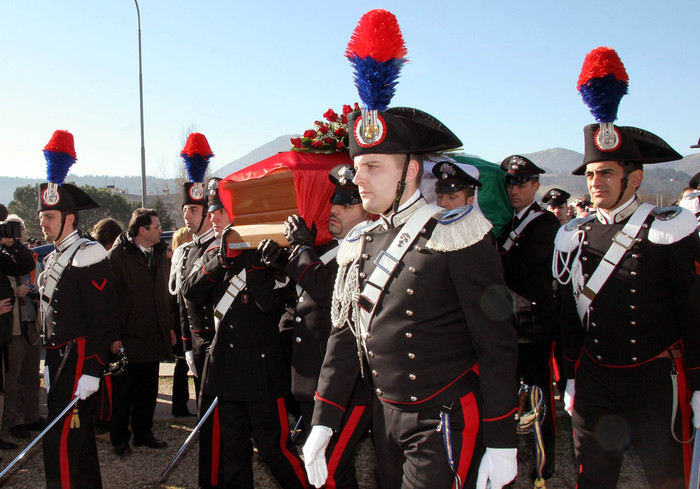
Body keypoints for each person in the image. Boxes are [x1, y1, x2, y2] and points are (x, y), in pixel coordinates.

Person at [303, 104, 519, 489]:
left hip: (443, 417)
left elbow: (497, 341)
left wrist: (502, 440)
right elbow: (346, 336)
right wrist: (324, 420)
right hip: (385, 416)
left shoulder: (458, 232)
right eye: (359, 166)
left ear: (411, 171)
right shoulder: (360, 242)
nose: (360, 178)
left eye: (374, 166)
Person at [553, 127, 700, 487]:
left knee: (667, 477)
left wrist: (698, 382)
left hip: (654, 380)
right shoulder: (574, 234)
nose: (595, 182)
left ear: (634, 178)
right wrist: (569, 375)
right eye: (590, 174)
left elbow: (693, 311)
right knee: (593, 478)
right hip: (596, 379)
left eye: (606, 173)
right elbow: (566, 315)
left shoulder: (668, 228)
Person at [182, 177, 308, 489]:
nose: (213, 217)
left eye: (220, 212)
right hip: (225, 370)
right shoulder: (215, 252)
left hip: (261, 372)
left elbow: (269, 304)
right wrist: (221, 260)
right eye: (211, 212)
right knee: (233, 453)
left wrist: (272, 267)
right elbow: (190, 292)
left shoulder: (266, 249)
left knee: (275, 450)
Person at [259, 164, 374, 489]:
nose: (334, 208)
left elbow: (328, 292)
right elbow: (301, 301)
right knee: (325, 471)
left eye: (346, 203)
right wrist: (282, 263)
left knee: (331, 468)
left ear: (368, 214)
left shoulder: (368, 248)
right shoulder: (326, 251)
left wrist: (301, 249)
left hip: (346, 386)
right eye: (333, 201)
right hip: (314, 379)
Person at [37, 129, 116, 488]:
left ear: (69, 218)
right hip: (59, 359)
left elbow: (103, 318)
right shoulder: (56, 256)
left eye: (49, 218)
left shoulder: (89, 253)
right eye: (41, 217)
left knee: (61, 444)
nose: (42, 222)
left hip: (80, 358)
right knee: (78, 446)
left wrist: (93, 371)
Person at [498, 155, 561, 480]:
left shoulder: (545, 223)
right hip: (508, 323)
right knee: (508, 396)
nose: (514, 188)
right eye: (509, 182)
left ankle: (543, 462)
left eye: (521, 182)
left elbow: (519, 269)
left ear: (536, 186)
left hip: (533, 325)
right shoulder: (508, 223)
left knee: (539, 398)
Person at [107, 208, 174, 456]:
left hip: (153, 334)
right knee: (124, 392)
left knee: (148, 390)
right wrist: (114, 336)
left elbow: (163, 294)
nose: (160, 230)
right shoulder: (118, 256)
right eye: (156, 227)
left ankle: (144, 434)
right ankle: (120, 439)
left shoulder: (158, 253)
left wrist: (168, 327)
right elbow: (110, 300)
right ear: (142, 230)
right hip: (127, 337)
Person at [176, 133, 217, 405]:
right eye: (185, 210)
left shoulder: (221, 248)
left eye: (192, 210)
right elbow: (181, 302)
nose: (185, 216)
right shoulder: (186, 251)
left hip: (218, 341)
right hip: (196, 340)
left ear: (206, 212)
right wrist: (186, 345)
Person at [4, 215, 44, 441]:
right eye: (12, 229)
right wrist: (14, 292)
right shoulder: (4, 259)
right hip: (14, 326)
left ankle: (32, 415)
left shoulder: (30, 257)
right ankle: (15, 420)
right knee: (13, 376)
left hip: (32, 323)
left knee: (31, 374)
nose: (17, 232)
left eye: (19, 228)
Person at [0, 208, 35, 455]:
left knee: (26, 376)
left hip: (22, 325)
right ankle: (15, 421)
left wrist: (13, 243)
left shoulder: (8, 252)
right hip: (9, 327)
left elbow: (25, 264)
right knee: (10, 380)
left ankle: (30, 417)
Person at [168, 226, 195, 417]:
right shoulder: (174, 267)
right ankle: (179, 405)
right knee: (182, 365)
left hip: (187, 322)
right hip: (179, 324)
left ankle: (182, 405)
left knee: (189, 365)